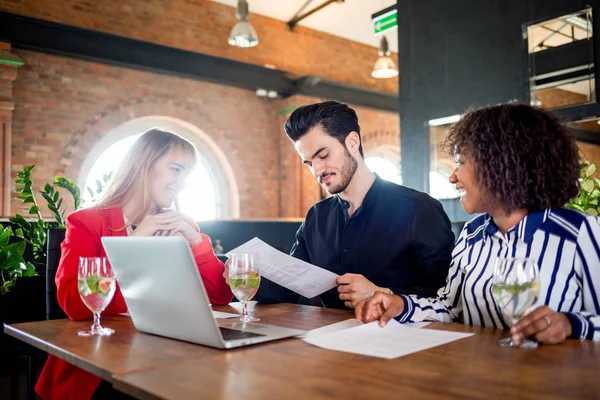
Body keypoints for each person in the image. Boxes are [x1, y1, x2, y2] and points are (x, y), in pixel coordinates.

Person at [356, 103, 600, 344]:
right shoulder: (472, 235)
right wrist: (400, 304)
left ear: (501, 164)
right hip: (479, 376)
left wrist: (569, 323)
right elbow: (450, 308)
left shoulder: (580, 233)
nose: (453, 177)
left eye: (461, 162)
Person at [36, 129, 233, 400]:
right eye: (177, 170)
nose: (183, 183)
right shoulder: (87, 223)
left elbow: (220, 295)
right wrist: (132, 244)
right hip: (102, 363)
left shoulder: (181, 225)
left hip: (167, 354)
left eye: (187, 174)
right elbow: (75, 304)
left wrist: (195, 241)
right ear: (143, 166)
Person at [225, 101, 455, 310]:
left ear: (352, 142)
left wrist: (382, 293)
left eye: (323, 155)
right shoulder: (317, 217)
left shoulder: (419, 209)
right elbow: (289, 286)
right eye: (309, 163)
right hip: (330, 343)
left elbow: (450, 296)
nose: (317, 170)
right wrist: (245, 277)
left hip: (406, 341)